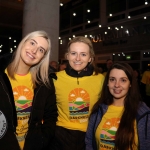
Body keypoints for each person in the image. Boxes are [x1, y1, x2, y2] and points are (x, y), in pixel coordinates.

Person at [0, 30, 57, 150]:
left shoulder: (44, 83)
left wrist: (42, 140)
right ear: (23, 42)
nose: (34, 51)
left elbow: (51, 116)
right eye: (32, 43)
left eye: (41, 50)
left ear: (43, 58)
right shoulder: (1, 75)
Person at [51, 36, 104, 150]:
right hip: (60, 135)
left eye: (83, 54)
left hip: (90, 134)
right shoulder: (55, 78)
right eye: (74, 53)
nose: (78, 58)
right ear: (67, 55)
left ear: (90, 58)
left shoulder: (100, 79)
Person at [85, 62, 150, 150]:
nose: (116, 85)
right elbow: (89, 142)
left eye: (123, 80)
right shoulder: (98, 110)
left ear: (130, 83)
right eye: (112, 79)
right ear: (107, 82)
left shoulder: (143, 113)